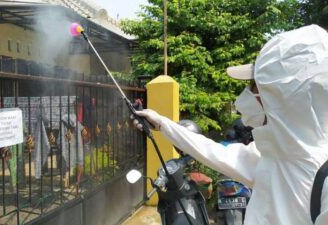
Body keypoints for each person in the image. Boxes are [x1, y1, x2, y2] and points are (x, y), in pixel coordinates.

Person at [132, 24, 328, 225]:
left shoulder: (321, 175)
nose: (247, 94)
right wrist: (163, 123)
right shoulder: (272, 156)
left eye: (254, 86)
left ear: (282, 95)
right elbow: (214, 152)